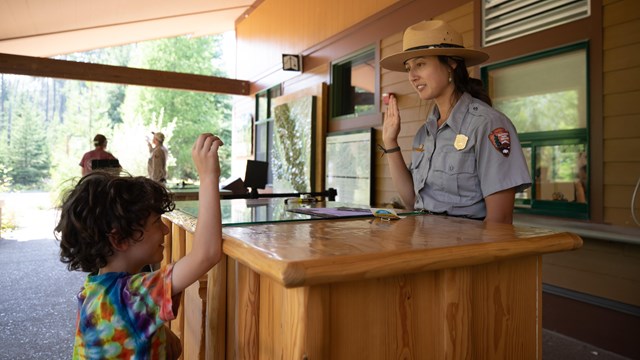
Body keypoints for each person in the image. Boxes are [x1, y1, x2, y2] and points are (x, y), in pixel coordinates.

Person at [56, 133, 224, 359]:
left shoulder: (92, 292)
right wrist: (209, 176)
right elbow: (208, 254)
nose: (165, 230)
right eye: (157, 222)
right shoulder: (132, 295)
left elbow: (171, 347)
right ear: (120, 239)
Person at [379, 20, 531, 224]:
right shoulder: (425, 132)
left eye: (421, 64)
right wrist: (390, 143)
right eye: (408, 68)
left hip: (464, 252)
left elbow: (500, 220)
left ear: (452, 63)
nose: (412, 76)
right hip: (423, 246)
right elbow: (413, 202)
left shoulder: (488, 124)